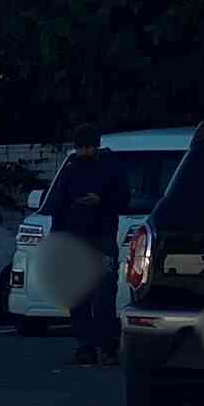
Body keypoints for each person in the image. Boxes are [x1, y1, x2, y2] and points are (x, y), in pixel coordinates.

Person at [43, 138, 127, 368]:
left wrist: (102, 200)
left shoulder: (110, 168)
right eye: (81, 146)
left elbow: (123, 199)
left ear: (96, 145)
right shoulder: (71, 169)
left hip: (101, 237)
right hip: (77, 238)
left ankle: (106, 347)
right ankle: (87, 347)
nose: (84, 151)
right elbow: (58, 206)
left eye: (88, 146)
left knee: (103, 294)